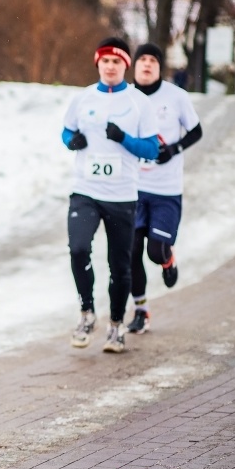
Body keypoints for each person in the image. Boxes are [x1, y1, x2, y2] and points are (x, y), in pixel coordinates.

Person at [61, 37, 160, 353]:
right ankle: (87, 313)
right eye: (105, 61)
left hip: (121, 195)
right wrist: (71, 141)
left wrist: (124, 138)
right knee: (78, 249)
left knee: (120, 265)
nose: (110, 66)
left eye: (116, 61)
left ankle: (116, 325)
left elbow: (152, 149)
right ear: (98, 64)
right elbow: (66, 131)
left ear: (125, 66)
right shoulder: (83, 98)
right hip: (85, 191)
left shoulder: (138, 102)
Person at [127, 43, 202, 334]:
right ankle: (141, 311)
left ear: (160, 67)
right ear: (134, 66)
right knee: (132, 250)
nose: (147, 64)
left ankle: (167, 261)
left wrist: (174, 148)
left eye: (153, 60)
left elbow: (196, 131)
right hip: (132, 189)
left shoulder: (176, 97)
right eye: (142, 59)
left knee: (155, 251)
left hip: (166, 189)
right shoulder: (125, 97)